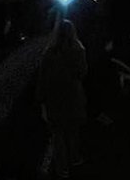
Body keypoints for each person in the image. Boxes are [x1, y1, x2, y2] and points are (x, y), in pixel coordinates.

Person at [36, 19, 87, 180]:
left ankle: (62, 168)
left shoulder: (49, 53)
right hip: (73, 96)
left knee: (58, 134)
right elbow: (83, 72)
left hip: (55, 98)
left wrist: (41, 99)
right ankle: (75, 158)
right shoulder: (78, 50)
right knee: (73, 131)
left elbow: (42, 78)